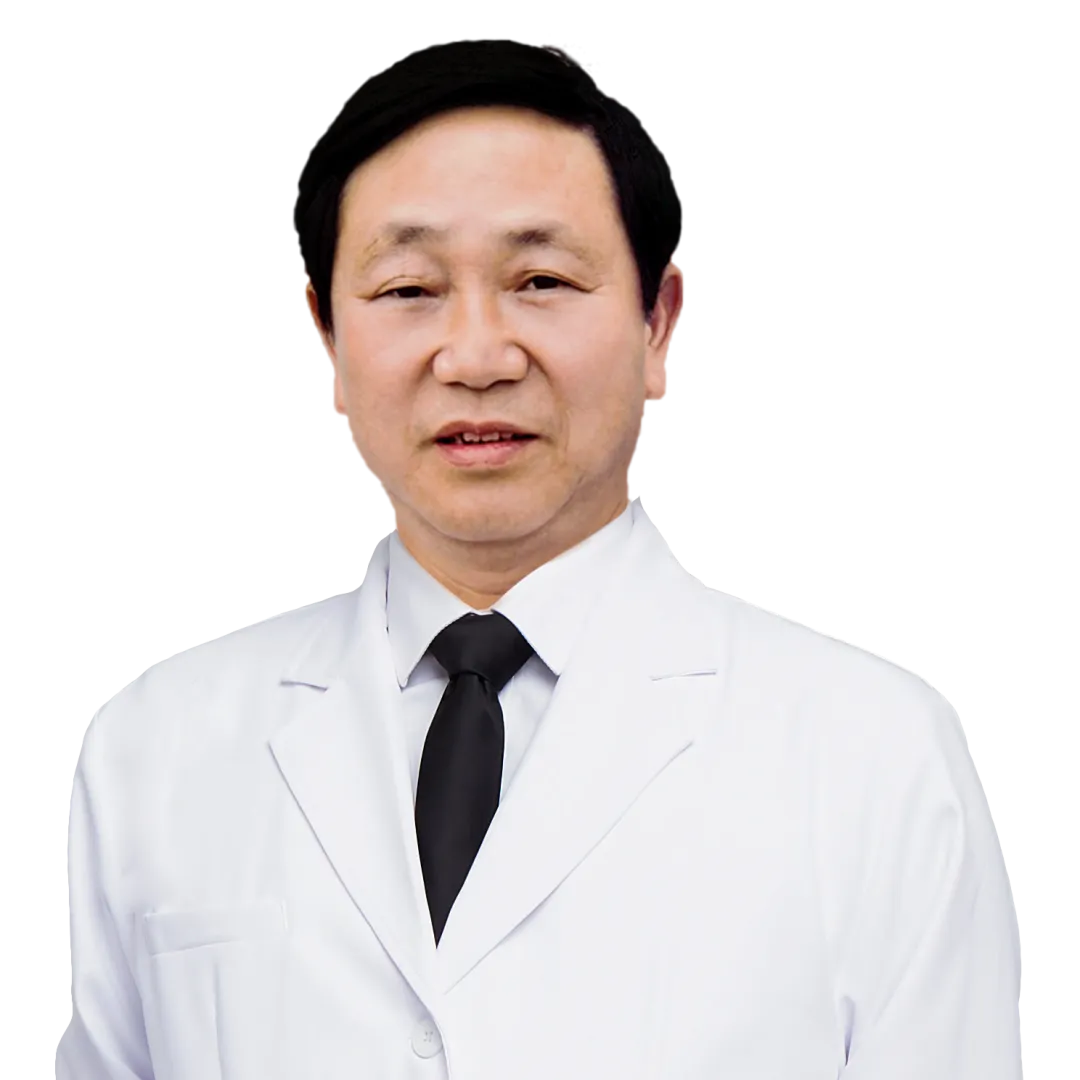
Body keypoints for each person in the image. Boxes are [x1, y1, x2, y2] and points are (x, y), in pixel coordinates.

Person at [60, 34, 1023, 1079]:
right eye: (408, 289)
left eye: (543, 279)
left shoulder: (875, 751)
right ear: (325, 336)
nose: (476, 357)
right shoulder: (156, 745)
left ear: (659, 324)